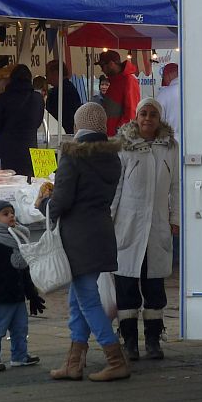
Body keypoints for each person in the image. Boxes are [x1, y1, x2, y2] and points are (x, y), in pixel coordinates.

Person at [44, 102, 129, 382]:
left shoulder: (74, 155)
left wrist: (45, 204)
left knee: (87, 300)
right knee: (77, 298)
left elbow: (64, 199)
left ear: (79, 124)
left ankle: (115, 359)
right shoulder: (112, 158)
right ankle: (73, 363)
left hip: (78, 236)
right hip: (101, 231)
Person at [111, 97, 179, 360]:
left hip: (157, 224)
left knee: (154, 286)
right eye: (143, 113)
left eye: (152, 114)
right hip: (128, 224)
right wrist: (109, 218)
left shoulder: (169, 148)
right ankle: (129, 341)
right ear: (136, 116)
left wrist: (175, 218)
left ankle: (153, 339)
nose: (148, 118)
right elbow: (116, 186)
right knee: (126, 283)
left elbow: (176, 185)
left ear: (159, 118)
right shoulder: (124, 147)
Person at [0, 199, 45, 372]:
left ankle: (20, 356)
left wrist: (32, 294)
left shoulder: (18, 239)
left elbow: (24, 270)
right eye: (5, 214)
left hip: (17, 295)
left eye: (12, 213)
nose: (11, 216)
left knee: (20, 328)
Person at [0, 65, 45, 177]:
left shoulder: (4, 97)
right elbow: (37, 123)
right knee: (26, 187)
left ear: (11, 79)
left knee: (6, 188)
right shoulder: (38, 98)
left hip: (6, 152)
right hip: (29, 152)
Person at [98, 50, 140, 136]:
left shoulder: (129, 80)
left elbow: (131, 112)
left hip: (119, 137)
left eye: (102, 66)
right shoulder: (115, 81)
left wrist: (120, 133)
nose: (102, 70)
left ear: (111, 64)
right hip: (112, 135)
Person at [46, 59, 82, 135]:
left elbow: (52, 117)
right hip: (72, 131)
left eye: (47, 73)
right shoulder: (71, 88)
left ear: (55, 73)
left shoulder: (56, 92)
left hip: (60, 133)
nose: (46, 78)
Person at [157, 63, 180, 135]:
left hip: (171, 140)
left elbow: (157, 119)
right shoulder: (192, 90)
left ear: (168, 75)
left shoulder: (164, 94)